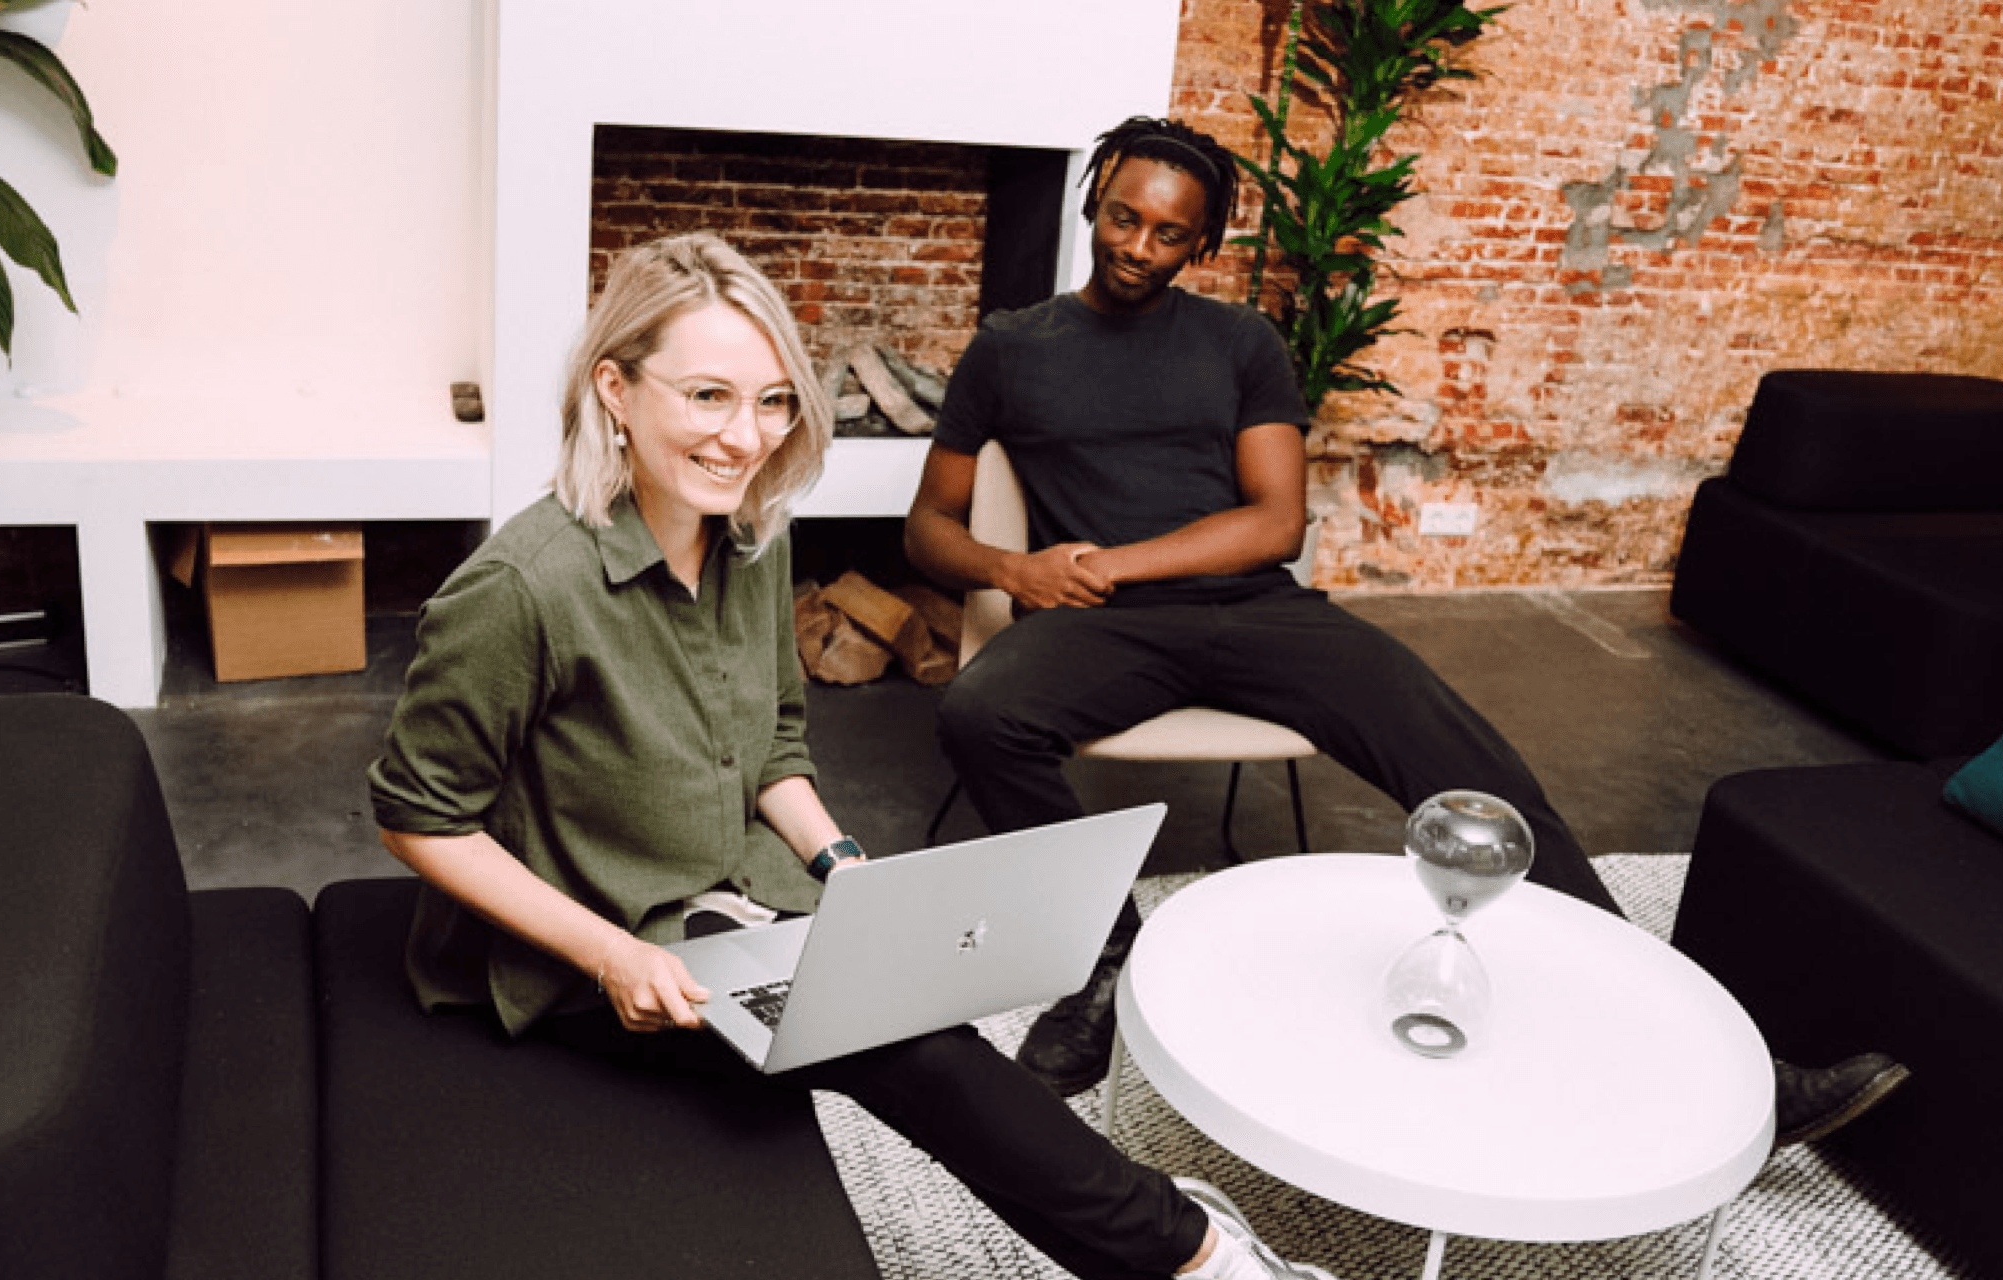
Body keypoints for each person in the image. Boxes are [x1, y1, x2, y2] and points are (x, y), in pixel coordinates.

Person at [902, 117, 1908, 1144]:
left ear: (1201, 244)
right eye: (1124, 217)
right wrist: (1012, 568)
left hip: (1255, 611)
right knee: (981, 713)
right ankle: (1110, 960)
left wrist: (1116, 557)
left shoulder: (1240, 343)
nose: (1138, 247)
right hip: (1101, 629)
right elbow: (928, 528)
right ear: (1093, 202)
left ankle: (1728, 1072)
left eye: (1169, 233)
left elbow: (1275, 519)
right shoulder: (1011, 348)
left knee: (1484, 786)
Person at [368, 232, 1338, 1280]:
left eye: (774, 400)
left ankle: (1172, 1250)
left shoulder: (751, 535)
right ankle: (1200, 1258)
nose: (746, 438)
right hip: (587, 956)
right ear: (615, 387)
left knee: (917, 1005)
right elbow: (418, 815)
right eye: (708, 396)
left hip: (726, 900)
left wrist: (839, 862)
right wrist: (611, 955)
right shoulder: (522, 588)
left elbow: (775, 744)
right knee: (910, 1041)